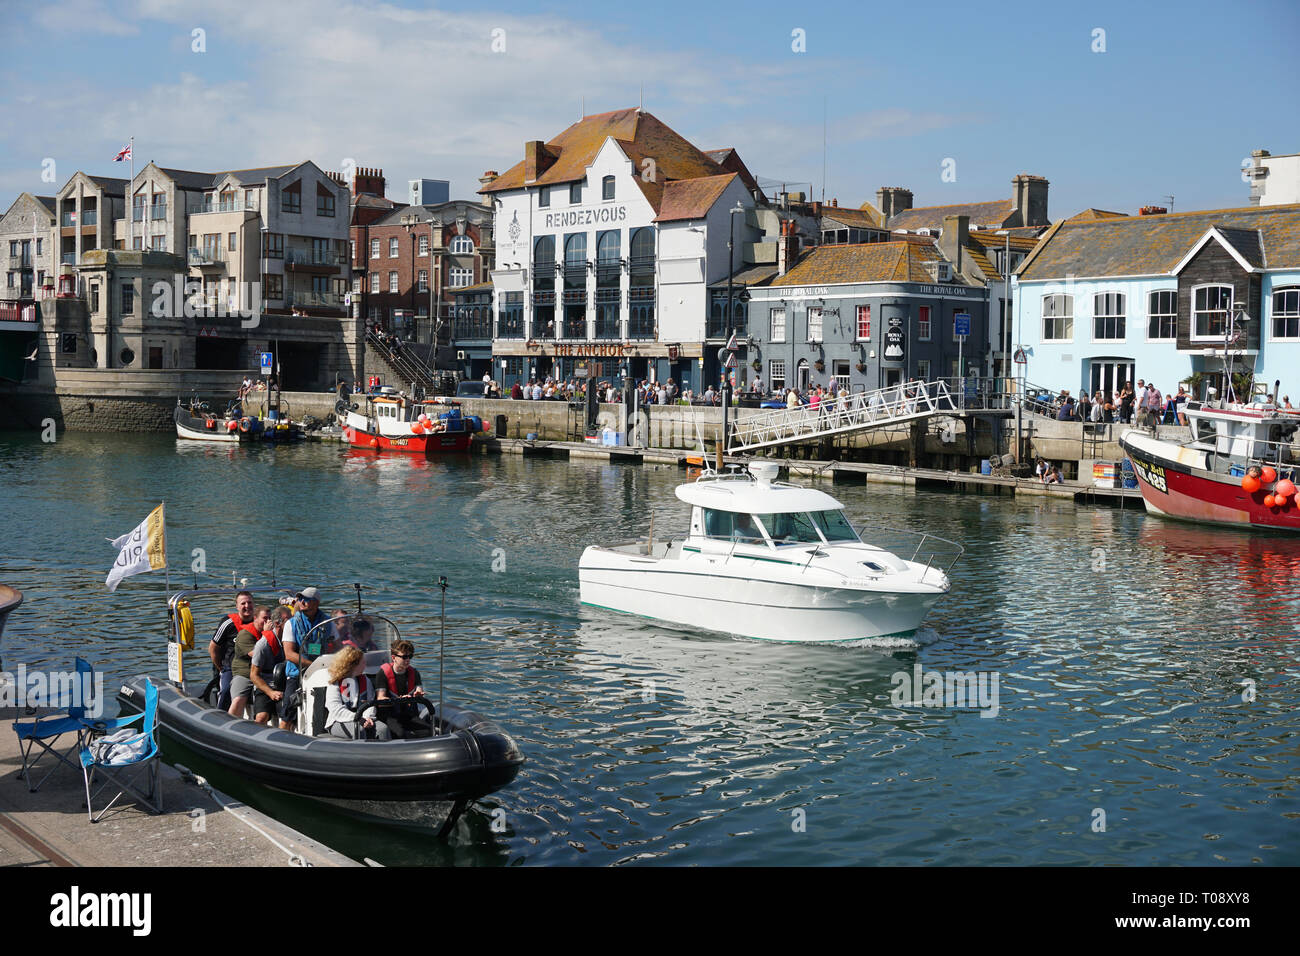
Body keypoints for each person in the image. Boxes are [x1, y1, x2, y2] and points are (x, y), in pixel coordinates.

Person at [280, 587, 328, 732]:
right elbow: (289, 654)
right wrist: (314, 665)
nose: (301, 602)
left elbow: (336, 646)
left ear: (316, 603)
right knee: (289, 705)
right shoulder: (291, 624)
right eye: (300, 599)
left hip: (323, 670)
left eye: (305, 599)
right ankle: (282, 730)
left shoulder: (328, 622)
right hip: (297, 673)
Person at [324, 647, 391, 740]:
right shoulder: (334, 683)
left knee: (383, 729)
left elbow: (370, 703)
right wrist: (358, 718)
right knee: (359, 730)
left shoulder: (365, 680)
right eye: (362, 662)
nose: (365, 664)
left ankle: (386, 753)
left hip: (363, 718)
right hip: (338, 721)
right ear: (353, 665)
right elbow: (336, 710)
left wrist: (367, 718)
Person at [209, 590, 255, 711]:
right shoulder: (228, 623)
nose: (247, 606)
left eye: (249, 603)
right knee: (226, 691)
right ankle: (220, 716)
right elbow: (213, 648)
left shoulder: (260, 622)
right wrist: (221, 668)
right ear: (237, 606)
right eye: (243, 603)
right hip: (230, 667)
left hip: (254, 666)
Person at [376, 639, 430, 739]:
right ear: (394, 658)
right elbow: (380, 699)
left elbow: (419, 689)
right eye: (404, 657)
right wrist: (398, 700)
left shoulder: (414, 673)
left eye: (410, 656)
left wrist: (417, 695)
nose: (408, 660)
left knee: (426, 731)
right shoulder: (383, 674)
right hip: (389, 715)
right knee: (400, 734)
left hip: (408, 714)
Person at [248, 606, 290, 724]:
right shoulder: (263, 645)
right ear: (277, 624)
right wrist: (270, 692)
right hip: (266, 685)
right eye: (288, 622)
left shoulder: (292, 641)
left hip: (287, 682)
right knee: (261, 717)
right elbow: (254, 675)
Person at [227, 604, 270, 718]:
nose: (268, 622)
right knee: (238, 699)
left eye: (270, 619)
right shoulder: (244, 635)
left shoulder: (273, 632)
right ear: (255, 618)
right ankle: (231, 723)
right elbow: (258, 655)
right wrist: (267, 634)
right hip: (245, 673)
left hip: (265, 673)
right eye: (265, 618)